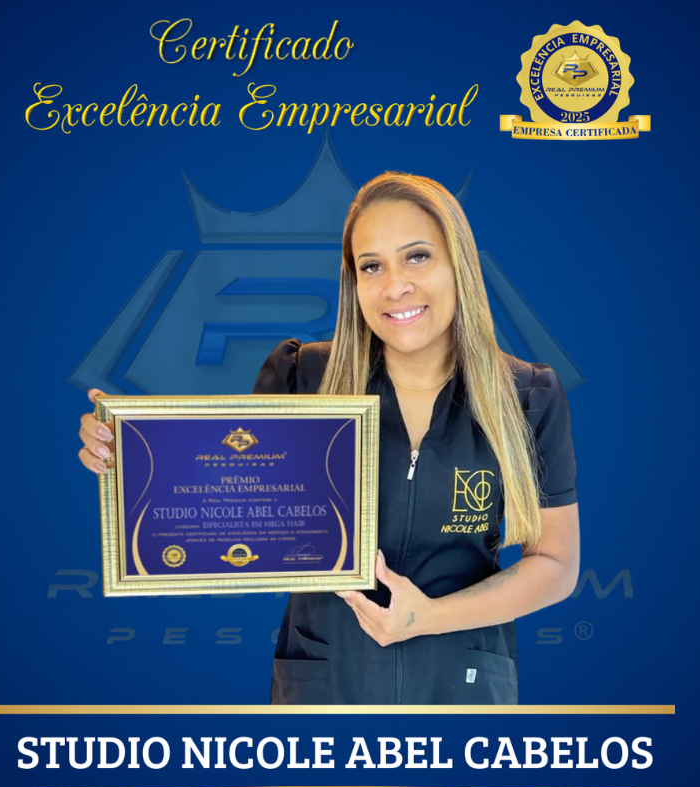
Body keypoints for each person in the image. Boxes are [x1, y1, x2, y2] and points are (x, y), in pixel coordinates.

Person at [77, 172, 580, 705]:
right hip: (324, 688)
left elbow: (556, 565)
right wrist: (130, 455)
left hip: (463, 691)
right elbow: (227, 502)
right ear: (353, 282)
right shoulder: (303, 379)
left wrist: (429, 617)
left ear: (460, 264)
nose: (394, 287)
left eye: (417, 257)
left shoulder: (527, 397)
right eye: (371, 266)